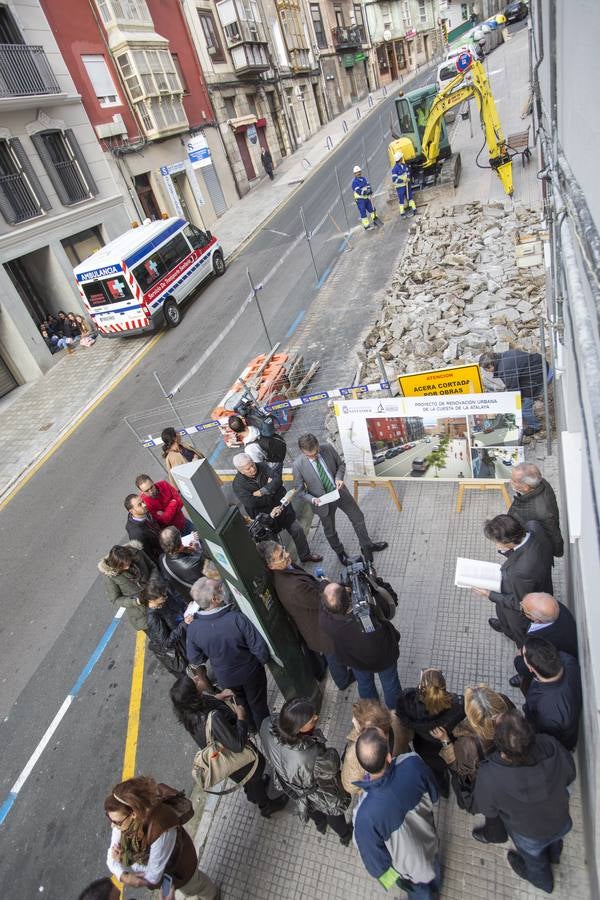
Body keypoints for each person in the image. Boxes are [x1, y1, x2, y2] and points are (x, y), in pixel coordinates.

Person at [473, 711, 575, 893]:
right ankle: (555, 854)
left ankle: (544, 883)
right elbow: (570, 774)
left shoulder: (489, 776)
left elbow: (488, 809)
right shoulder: (550, 745)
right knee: (555, 840)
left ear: (501, 748)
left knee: (535, 863)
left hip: (529, 835)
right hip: (560, 820)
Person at [170, 673, 288, 817]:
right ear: (193, 695)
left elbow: (205, 708)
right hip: (238, 761)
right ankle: (266, 806)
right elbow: (238, 744)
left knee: (250, 782)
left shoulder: (188, 714)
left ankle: (252, 792)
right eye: (193, 682)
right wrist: (241, 717)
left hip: (225, 759)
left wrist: (217, 698)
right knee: (253, 776)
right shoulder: (214, 718)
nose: (196, 678)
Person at [353, 728, 441, 898]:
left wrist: (396, 880)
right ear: (388, 756)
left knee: (420, 891)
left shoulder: (363, 817)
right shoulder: (412, 762)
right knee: (434, 868)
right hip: (430, 841)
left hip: (408, 870)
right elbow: (434, 794)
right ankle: (436, 883)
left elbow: (377, 865)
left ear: (363, 765)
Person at [258, 540, 353, 689]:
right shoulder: (292, 588)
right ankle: (342, 680)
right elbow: (318, 599)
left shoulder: (285, 569)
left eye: (283, 549)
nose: (287, 554)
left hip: (313, 621)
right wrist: (325, 583)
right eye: (281, 555)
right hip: (319, 628)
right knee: (332, 651)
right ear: (271, 566)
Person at [104, 776, 219, 897]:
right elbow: (111, 856)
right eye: (109, 818)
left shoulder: (160, 830)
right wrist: (122, 874)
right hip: (168, 868)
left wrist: (126, 860)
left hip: (180, 868)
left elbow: (153, 877)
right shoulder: (127, 821)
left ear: (133, 813)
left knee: (196, 886)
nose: (113, 826)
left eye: (117, 822)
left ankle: (212, 896)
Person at [260, 697, 353, 844]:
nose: (317, 717)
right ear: (298, 729)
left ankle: (320, 824)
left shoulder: (267, 724)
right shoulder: (310, 755)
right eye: (311, 719)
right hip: (315, 789)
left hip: (290, 784)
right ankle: (345, 835)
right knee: (332, 810)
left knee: (311, 807)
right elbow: (333, 765)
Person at [431, 684, 514, 844]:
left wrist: (445, 741)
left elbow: (457, 766)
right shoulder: (505, 703)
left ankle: (495, 833)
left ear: (474, 720)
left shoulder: (468, 744)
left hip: (487, 785)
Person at [186, 578, 271, 731]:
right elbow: (260, 649)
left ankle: (250, 728)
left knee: (240, 703)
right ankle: (266, 730)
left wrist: (211, 686)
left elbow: (195, 659)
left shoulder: (193, 628)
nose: (223, 590)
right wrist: (262, 662)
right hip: (251, 673)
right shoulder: (236, 618)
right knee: (258, 704)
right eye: (219, 588)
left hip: (225, 677)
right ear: (214, 599)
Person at [293, 433, 387, 564]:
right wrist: (312, 499)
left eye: (315, 453)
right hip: (321, 502)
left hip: (339, 492)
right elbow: (300, 491)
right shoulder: (297, 465)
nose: (314, 457)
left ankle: (367, 546)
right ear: (302, 451)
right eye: (310, 456)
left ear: (318, 445)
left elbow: (341, 465)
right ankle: (341, 554)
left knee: (358, 517)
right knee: (330, 530)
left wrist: (338, 478)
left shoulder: (327, 448)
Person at [474, 515, 554, 645]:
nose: (496, 545)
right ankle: (504, 626)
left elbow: (519, 603)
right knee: (503, 615)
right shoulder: (533, 525)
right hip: (541, 580)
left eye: (497, 542)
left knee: (518, 630)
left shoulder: (520, 572)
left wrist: (489, 594)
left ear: (509, 542)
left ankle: (517, 641)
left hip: (520, 606)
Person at [320, 582, 401, 708]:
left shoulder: (325, 621)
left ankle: (372, 714)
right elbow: (392, 601)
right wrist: (374, 582)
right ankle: (396, 713)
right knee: (390, 684)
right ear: (348, 595)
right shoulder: (371, 610)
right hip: (384, 657)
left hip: (356, 661)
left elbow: (326, 605)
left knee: (364, 684)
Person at [233, 453, 321, 563]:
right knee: (274, 546)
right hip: (265, 518)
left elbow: (278, 480)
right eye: (248, 468)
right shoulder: (238, 485)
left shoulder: (262, 466)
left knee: (297, 530)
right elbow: (251, 502)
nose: (252, 469)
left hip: (282, 508)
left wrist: (262, 492)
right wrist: (271, 490)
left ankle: (305, 555)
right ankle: (286, 566)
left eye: (252, 464)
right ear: (240, 471)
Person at [396, 668, 465, 797]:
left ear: (420, 687)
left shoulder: (409, 703)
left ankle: (442, 790)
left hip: (424, 748)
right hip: (447, 746)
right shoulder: (457, 706)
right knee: (445, 765)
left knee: (435, 772)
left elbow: (401, 714)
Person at [341, 699, 412, 797]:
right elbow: (409, 735)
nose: (353, 720)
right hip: (403, 768)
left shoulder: (355, 754)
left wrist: (366, 789)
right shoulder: (396, 717)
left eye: (356, 721)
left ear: (365, 731)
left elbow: (349, 785)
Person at [521, 638, 582, 751]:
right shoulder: (568, 660)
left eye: (523, 656)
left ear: (530, 668)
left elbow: (546, 739)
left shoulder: (548, 712)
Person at [510, 593, 578, 690]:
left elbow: (533, 664)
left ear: (537, 620)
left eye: (524, 609)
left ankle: (525, 679)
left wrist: (518, 659)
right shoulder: (553, 608)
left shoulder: (544, 641)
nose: (520, 606)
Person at [479, 349, 551, 434]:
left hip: (538, 376)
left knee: (524, 408)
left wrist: (513, 407)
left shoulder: (504, 370)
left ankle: (535, 427)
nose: (487, 372)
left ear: (491, 365)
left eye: (486, 369)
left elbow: (514, 391)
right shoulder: (504, 355)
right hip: (540, 364)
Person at [508, 463, 564, 557]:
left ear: (526, 487)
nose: (510, 482)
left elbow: (553, 531)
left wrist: (557, 551)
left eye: (514, 481)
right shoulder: (542, 483)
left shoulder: (542, 512)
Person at [138, 575, 190, 675]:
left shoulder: (163, 600)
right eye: (163, 596)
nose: (166, 597)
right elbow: (167, 643)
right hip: (181, 647)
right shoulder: (153, 618)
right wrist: (184, 624)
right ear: (152, 600)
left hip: (185, 635)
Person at [98, 543, 157, 631]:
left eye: (128, 562)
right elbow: (115, 599)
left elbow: (153, 567)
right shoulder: (111, 577)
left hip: (159, 601)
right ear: (116, 565)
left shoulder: (138, 554)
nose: (127, 566)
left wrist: (153, 582)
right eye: (123, 566)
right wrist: (135, 601)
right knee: (162, 640)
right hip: (143, 616)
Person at [159, 525, 205, 600]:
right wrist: (197, 550)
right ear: (179, 542)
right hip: (203, 593)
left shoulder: (162, 558)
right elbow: (205, 559)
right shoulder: (193, 563)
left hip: (188, 595)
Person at [124, 493, 162, 562]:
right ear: (131, 511)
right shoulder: (137, 533)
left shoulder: (144, 512)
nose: (144, 505)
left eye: (143, 502)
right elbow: (148, 556)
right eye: (139, 504)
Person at [391, 151, 416, 217]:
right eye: (401, 157)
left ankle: (414, 209)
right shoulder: (394, 169)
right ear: (400, 159)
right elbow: (394, 180)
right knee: (401, 199)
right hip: (400, 188)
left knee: (410, 197)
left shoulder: (404, 166)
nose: (402, 158)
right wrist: (403, 180)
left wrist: (408, 178)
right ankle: (402, 213)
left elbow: (408, 173)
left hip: (407, 184)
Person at [351, 164, 377, 230]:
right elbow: (358, 191)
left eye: (359, 172)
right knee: (363, 212)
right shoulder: (354, 182)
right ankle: (366, 226)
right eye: (357, 173)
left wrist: (370, 190)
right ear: (354, 174)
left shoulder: (364, 179)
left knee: (372, 209)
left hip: (366, 198)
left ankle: (375, 221)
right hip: (360, 200)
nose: (358, 173)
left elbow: (368, 185)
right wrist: (366, 192)